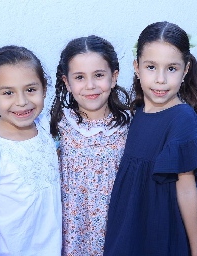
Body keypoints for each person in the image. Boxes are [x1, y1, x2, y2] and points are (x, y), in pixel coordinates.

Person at [104, 21, 197, 256]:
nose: (160, 79)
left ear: (185, 70)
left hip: (163, 227)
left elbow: (187, 191)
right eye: (151, 67)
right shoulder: (137, 113)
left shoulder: (182, 120)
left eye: (172, 68)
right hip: (132, 221)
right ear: (136, 67)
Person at [0, 45, 62, 256]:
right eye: (8, 92)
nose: (22, 101)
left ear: (44, 89)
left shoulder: (48, 132)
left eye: (31, 89)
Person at [50, 35, 130, 256]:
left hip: (117, 225)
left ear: (113, 77)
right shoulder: (59, 126)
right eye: (79, 77)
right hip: (73, 230)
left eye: (98, 75)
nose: (90, 85)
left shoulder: (130, 125)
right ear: (67, 82)